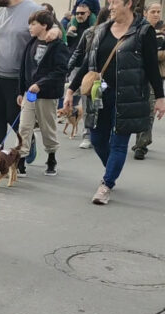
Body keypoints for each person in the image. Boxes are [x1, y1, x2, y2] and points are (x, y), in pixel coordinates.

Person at [64, 0, 165, 205]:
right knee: (97, 139)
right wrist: (70, 90)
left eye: (115, 3)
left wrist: (160, 97)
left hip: (128, 97)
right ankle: (112, 167)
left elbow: (152, 67)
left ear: (129, 4)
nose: (110, 7)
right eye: (109, 3)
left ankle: (107, 184)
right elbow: (88, 63)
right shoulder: (101, 30)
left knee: (119, 143)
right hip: (99, 95)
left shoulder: (143, 31)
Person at [0, 0, 52, 171]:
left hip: (16, 79)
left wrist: (55, 31)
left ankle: (25, 148)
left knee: (15, 120)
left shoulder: (34, 10)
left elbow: (52, 33)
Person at [17, 9, 69, 176]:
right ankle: (21, 159)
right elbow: (23, 69)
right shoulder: (30, 43)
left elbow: (61, 70)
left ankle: (51, 157)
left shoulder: (58, 45)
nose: (30, 27)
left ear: (44, 25)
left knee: (48, 127)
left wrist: (41, 84)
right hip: (29, 93)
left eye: (33, 24)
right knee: (24, 127)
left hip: (47, 94)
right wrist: (21, 91)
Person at [68, 7, 111, 150]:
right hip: (90, 74)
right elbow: (78, 52)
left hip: (109, 76)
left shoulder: (120, 34)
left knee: (105, 106)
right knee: (88, 105)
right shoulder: (90, 32)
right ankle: (87, 135)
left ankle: (104, 135)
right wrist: (67, 70)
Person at [131, 2, 164, 160]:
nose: (156, 14)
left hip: (155, 77)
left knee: (149, 110)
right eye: (153, 11)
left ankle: (141, 144)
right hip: (137, 76)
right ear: (145, 13)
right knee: (138, 110)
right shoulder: (139, 30)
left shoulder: (161, 35)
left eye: (159, 11)